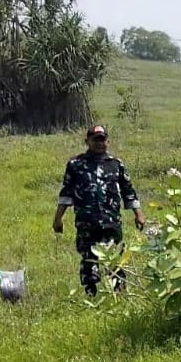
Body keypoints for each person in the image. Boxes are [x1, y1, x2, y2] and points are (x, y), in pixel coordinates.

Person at [53, 125, 145, 295]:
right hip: (87, 223)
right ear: (87, 141)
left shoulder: (116, 165)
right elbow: (67, 193)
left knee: (116, 260)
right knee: (89, 260)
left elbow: (128, 192)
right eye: (95, 140)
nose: (99, 143)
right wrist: (58, 218)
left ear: (108, 142)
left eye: (102, 140)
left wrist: (138, 214)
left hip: (111, 222)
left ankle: (120, 295)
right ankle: (91, 296)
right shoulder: (76, 165)